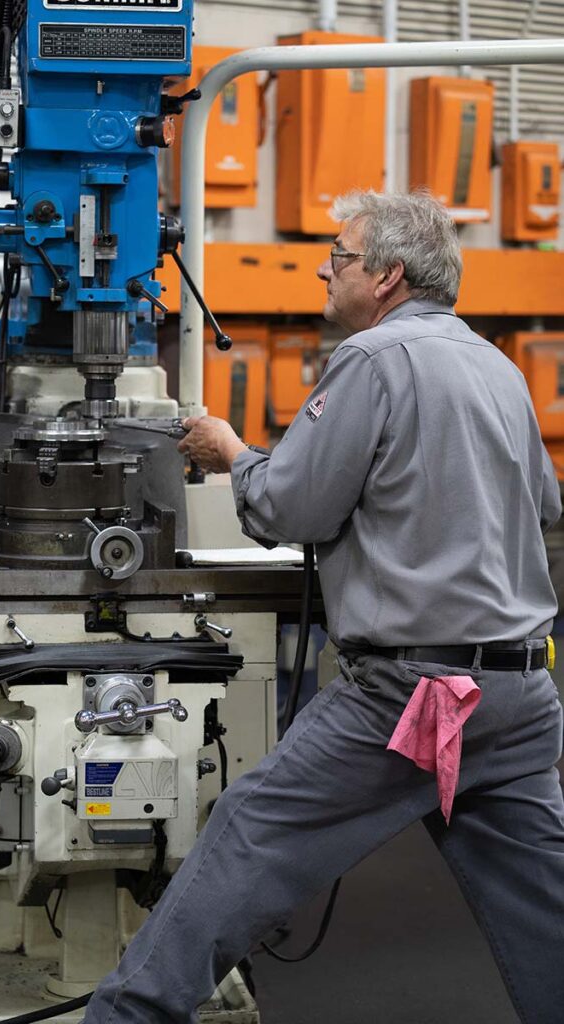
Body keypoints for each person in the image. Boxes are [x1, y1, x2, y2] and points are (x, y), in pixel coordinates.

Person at [82, 190, 564, 1024]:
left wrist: (234, 453)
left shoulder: (372, 361)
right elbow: (543, 505)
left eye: (338, 257)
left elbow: (287, 511)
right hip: (518, 699)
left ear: (384, 277)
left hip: (415, 699)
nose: (322, 269)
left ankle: (122, 1018)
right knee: (545, 909)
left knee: (248, 834)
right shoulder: (498, 366)